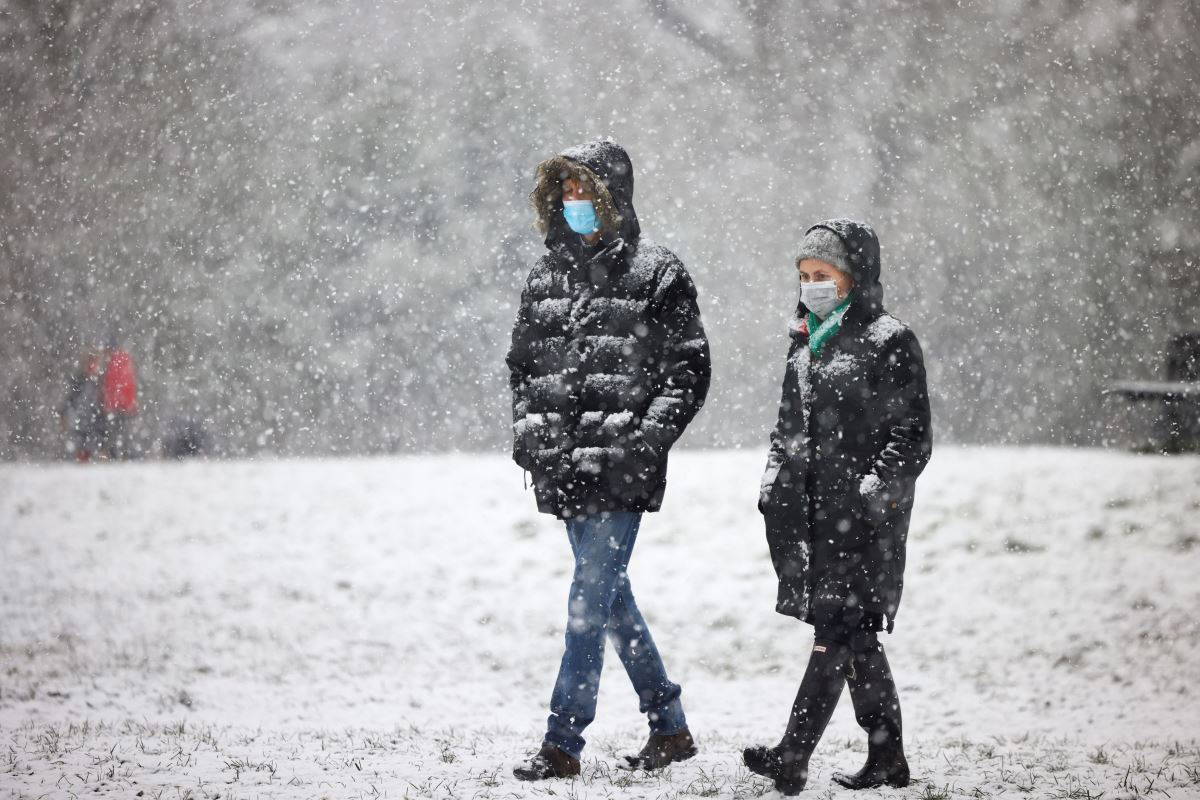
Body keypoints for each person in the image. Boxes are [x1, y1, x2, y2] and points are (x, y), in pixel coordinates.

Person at [506, 139, 711, 780]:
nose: (575, 203)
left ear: (612, 196)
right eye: (564, 191)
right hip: (562, 467)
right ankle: (668, 724)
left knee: (587, 603)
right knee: (609, 598)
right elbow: (522, 369)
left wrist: (643, 440)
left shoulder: (658, 274)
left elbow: (688, 371)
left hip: (623, 469)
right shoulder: (543, 277)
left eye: (585, 191)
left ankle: (562, 740)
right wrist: (531, 438)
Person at [745, 219, 932, 794]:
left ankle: (793, 756)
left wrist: (875, 489)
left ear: (854, 277)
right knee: (854, 635)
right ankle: (887, 759)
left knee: (836, 630)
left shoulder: (889, 340)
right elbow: (787, 428)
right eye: (804, 276)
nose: (811, 285)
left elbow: (913, 435)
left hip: (867, 520)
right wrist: (775, 481)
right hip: (814, 516)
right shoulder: (803, 340)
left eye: (822, 274)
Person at [60, 349, 106, 462]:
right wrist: (65, 412)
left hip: (93, 416)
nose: (92, 365)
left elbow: (102, 399)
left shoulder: (99, 380)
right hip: (81, 416)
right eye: (90, 362)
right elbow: (71, 398)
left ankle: (90, 457)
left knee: (93, 439)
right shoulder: (80, 379)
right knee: (81, 439)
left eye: (94, 362)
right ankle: (82, 458)